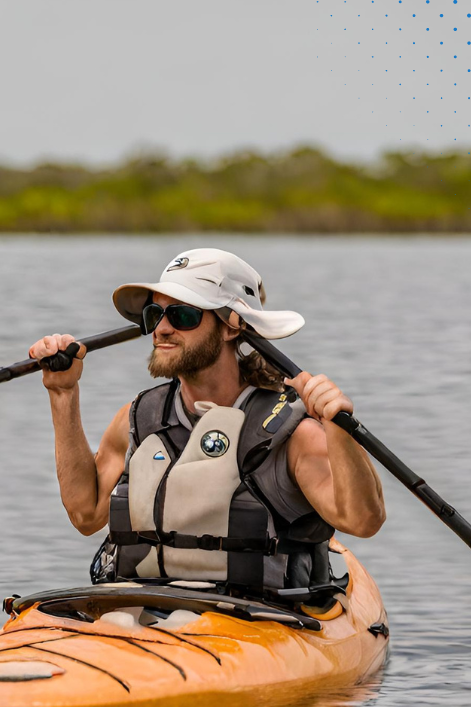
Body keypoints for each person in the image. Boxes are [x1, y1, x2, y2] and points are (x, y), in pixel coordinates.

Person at [27, 248, 384, 602]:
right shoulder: (139, 418)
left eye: (183, 315)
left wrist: (339, 430)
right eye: (155, 315)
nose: (162, 329)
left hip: (257, 623)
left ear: (231, 327)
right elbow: (85, 514)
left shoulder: (293, 433)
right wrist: (62, 392)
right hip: (140, 612)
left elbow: (363, 521)